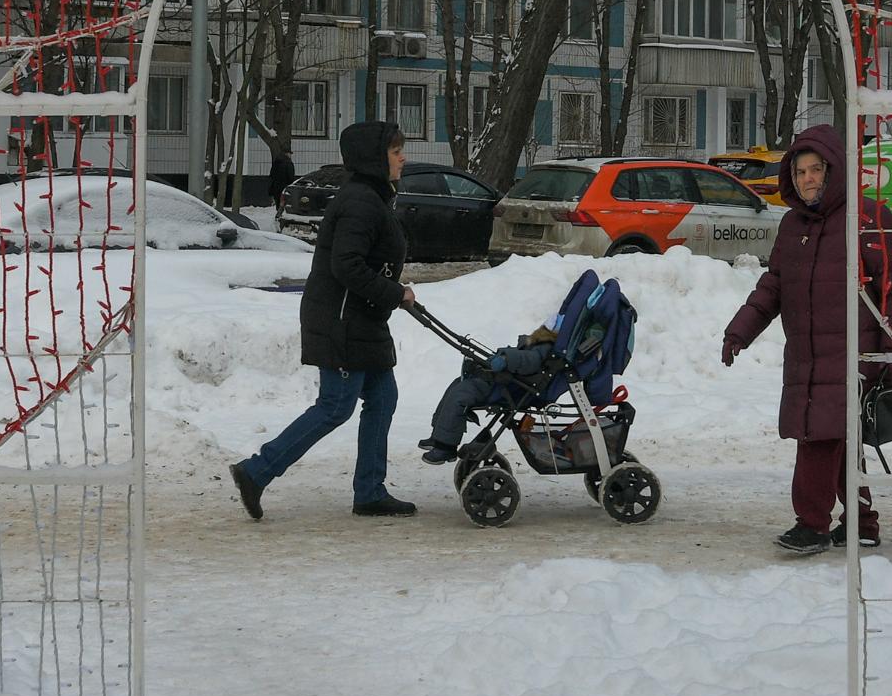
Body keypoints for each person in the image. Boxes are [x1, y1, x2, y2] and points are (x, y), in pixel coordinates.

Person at [719, 124, 892, 555]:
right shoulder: (792, 225)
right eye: (800, 171)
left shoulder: (868, 218)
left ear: (834, 170)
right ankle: (862, 522)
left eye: (816, 170)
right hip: (807, 353)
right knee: (836, 435)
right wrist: (740, 330)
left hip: (855, 354)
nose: (807, 179)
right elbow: (773, 286)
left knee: (819, 437)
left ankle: (812, 523)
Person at [230, 120, 420, 519]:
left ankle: (369, 491)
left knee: (383, 398)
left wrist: (389, 291)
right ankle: (256, 471)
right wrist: (394, 292)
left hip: (360, 318)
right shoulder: (361, 202)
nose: (403, 157)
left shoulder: (373, 197)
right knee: (335, 406)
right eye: (395, 150)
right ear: (374, 158)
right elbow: (347, 265)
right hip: (342, 320)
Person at [416, 294, 620, 464]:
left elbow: (527, 361)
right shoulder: (545, 346)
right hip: (508, 383)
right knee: (457, 385)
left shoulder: (545, 350)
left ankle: (446, 447)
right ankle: (439, 434)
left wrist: (505, 358)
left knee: (461, 395)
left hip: (509, 388)